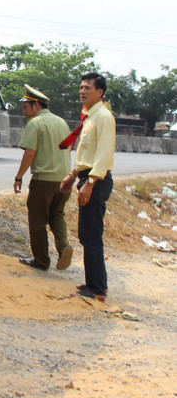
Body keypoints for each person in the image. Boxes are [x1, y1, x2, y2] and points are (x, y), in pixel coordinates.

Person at [59, 73, 115, 301]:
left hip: (96, 181)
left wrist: (90, 183)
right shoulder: (89, 116)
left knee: (91, 235)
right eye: (81, 87)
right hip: (86, 178)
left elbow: (102, 154)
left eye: (87, 88)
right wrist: (73, 176)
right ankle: (96, 283)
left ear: (99, 92)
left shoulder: (103, 117)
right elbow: (86, 154)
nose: (82, 91)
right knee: (87, 233)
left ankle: (97, 289)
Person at [13, 85, 73, 271]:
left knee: (37, 220)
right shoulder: (62, 122)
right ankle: (64, 247)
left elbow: (30, 153)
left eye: (26, 107)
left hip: (43, 180)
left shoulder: (35, 123)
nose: (24, 112)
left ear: (36, 106)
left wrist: (19, 177)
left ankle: (41, 260)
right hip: (64, 179)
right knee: (56, 214)